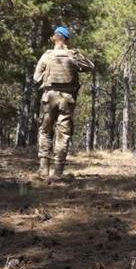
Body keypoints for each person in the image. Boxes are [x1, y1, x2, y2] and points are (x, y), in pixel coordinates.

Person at [33, 26, 95, 178]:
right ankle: (58, 172)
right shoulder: (73, 56)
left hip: (49, 97)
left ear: (55, 37)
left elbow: (36, 78)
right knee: (63, 134)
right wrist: (76, 53)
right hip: (67, 99)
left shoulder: (47, 55)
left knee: (45, 131)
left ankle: (43, 169)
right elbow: (90, 66)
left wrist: (46, 82)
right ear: (66, 39)